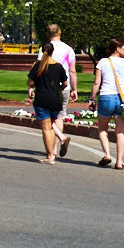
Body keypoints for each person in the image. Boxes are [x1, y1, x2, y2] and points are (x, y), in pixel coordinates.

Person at [89, 38, 124, 170]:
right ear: (117, 48)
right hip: (123, 98)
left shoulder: (103, 62)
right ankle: (119, 162)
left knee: (102, 128)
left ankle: (107, 154)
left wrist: (92, 98)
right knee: (120, 131)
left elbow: (97, 82)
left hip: (106, 97)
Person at [40, 24, 78, 159]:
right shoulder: (68, 49)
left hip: (48, 87)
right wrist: (75, 89)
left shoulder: (46, 48)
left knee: (46, 116)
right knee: (59, 117)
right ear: (60, 33)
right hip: (64, 86)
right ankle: (55, 148)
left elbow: (40, 66)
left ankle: (56, 143)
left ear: (47, 34)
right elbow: (72, 71)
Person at [27, 41, 68, 164]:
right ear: (52, 52)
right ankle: (53, 152)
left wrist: (34, 85)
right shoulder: (58, 66)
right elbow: (65, 83)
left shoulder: (38, 66)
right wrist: (57, 89)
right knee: (51, 125)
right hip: (56, 99)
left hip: (42, 99)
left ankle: (50, 156)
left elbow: (30, 82)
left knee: (46, 128)